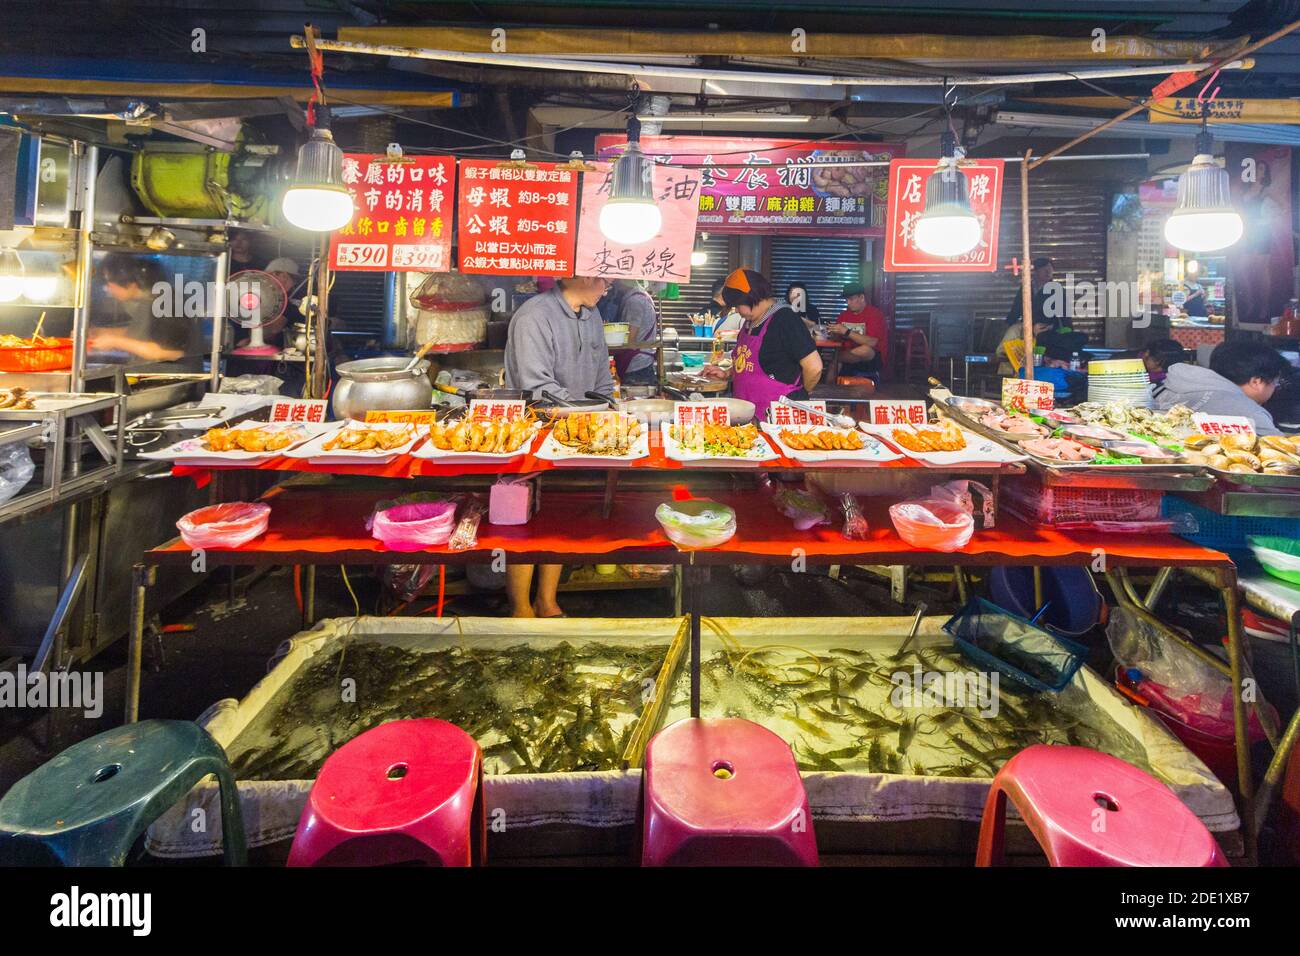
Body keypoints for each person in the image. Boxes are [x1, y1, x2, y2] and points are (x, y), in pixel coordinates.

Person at [502, 275, 613, 618]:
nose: (608, 288)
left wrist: (610, 408)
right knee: (524, 515)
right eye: (604, 280)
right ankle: (520, 607)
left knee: (561, 511)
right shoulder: (534, 315)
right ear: (581, 277)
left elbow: (602, 376)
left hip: (577, 432)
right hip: (534, 431)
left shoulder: (591, 314)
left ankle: (547, 601)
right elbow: (537, 386)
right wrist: (587, 412)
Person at [702, 268, 823, 420]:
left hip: (777, 418)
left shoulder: (785, 319)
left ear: (751, 297)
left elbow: (814, 367)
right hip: (749, 415)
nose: (738, 311)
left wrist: (802, 393)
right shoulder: (750, 322)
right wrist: (727, 374)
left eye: (738, 305)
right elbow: (747, 364)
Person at [1153, 340, 1291, 436]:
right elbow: (1285, 452)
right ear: (1256, 381)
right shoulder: (1250, 413)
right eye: (1276, 382)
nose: (1275, 387)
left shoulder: (1175, 383)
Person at [89, 253, 197, 362]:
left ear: (130, 283)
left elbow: (169, 352)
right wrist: (101, 332)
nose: (107, 288)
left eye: (109, 282)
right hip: (148, 373)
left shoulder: (167, 302)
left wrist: (115, 341)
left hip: (173, 376)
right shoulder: (148, 301)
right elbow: (144, 332)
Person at [829, 283, 889, 383]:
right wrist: (833, 333)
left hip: (871, 359)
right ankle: (827, 392)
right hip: (847, 358)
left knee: (864, 350)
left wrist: (846, 331)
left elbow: (872, 342)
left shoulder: (874, 314)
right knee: (835, 362)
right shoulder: (843, 315)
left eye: (851, 299)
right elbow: (836, 340)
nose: (848, 303)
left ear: (862, 298)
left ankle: (839, 358)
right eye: (846, 300)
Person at [606, 278, 659, 386]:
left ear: (621, 281)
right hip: (640, 365)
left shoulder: (634, 301)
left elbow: (629, 339)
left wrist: (603, 352)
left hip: (636, 368)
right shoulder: (641, 296)